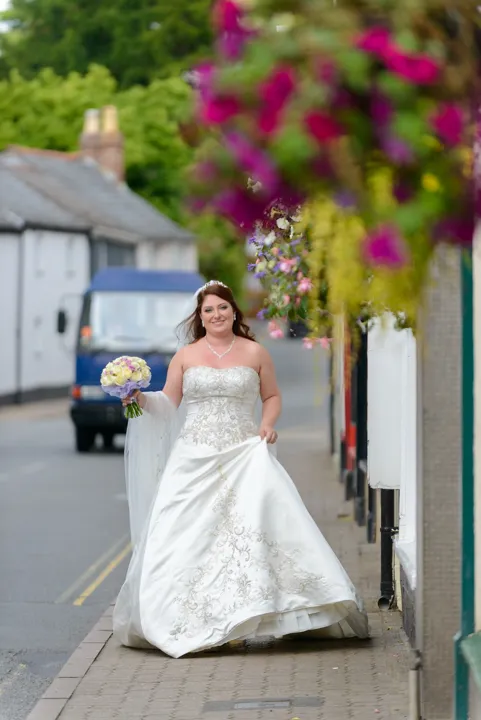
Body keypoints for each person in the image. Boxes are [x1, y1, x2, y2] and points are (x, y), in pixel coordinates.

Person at [113, 280, 369, 658]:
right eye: (208, 310)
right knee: (186, 536)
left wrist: (267, 424)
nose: (216, 315)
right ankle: (185, 617)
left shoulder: (255, 352)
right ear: (199, 317)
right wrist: (136, 400)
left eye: (222, 308)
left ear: (234, 311)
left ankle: (262, 611)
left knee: (254, 530)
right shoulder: (185, 356)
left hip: (243, 452)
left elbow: (272, 396)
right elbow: (168, 403)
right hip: (193, 458)